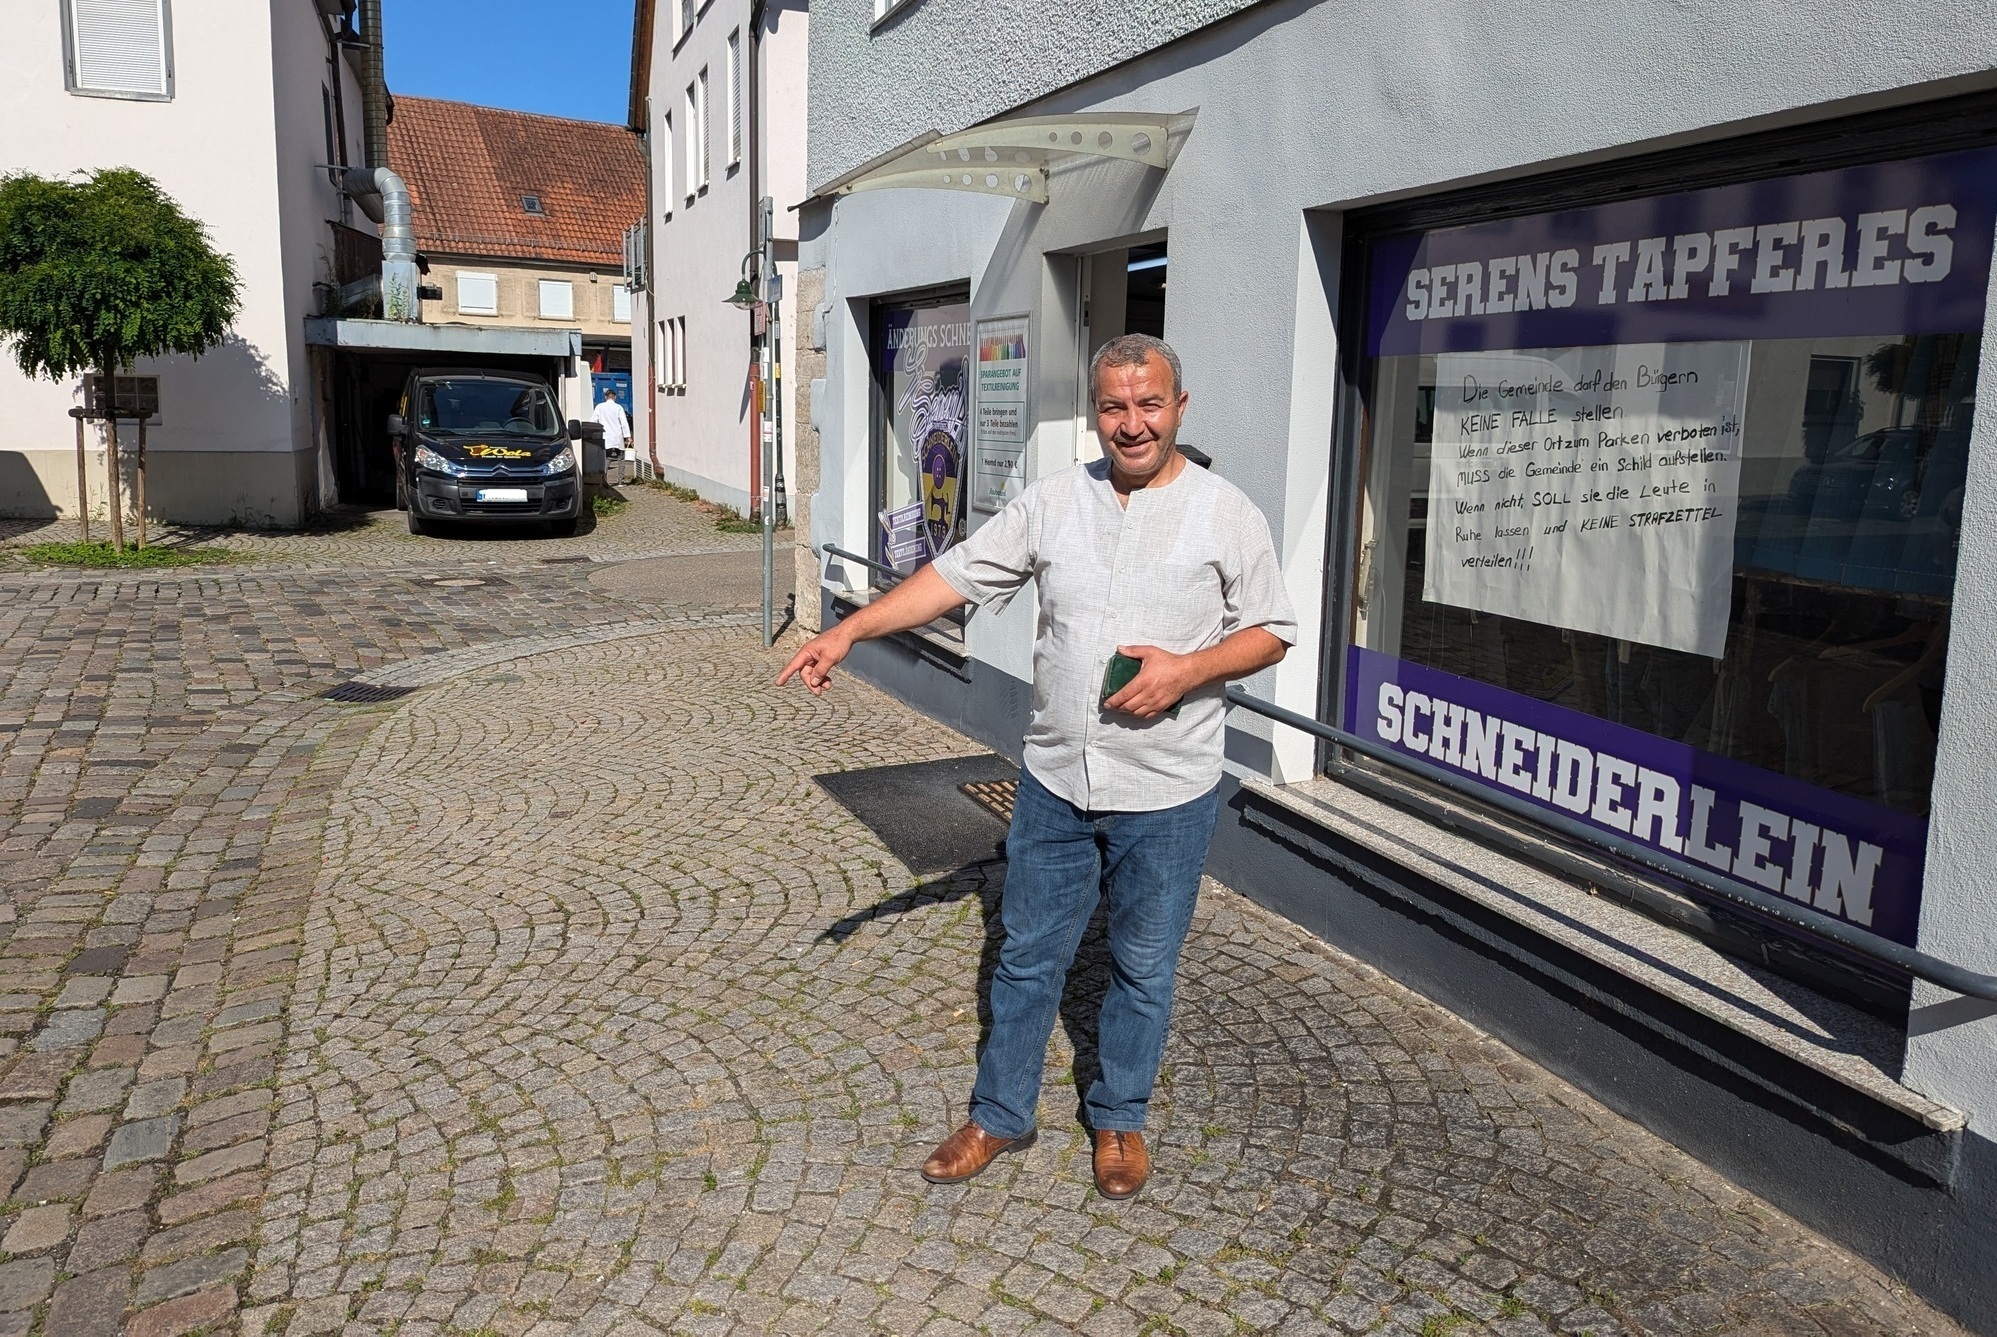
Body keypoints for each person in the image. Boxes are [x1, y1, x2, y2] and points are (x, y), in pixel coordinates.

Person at [777, 334, 1295, 1200]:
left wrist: (1187, 669)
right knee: (1025, 957)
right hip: (1056, 780)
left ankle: (1119, 1116)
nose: (1132, 423)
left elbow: (1272, 629)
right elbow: (952, 576)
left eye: (1149, 404)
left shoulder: (1226, 513)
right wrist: (849, 629)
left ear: (1178, 407)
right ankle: (1000, 1113)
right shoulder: (1054, 502)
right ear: (1095, 411)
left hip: (1167, 790)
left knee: (1142, 966)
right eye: (1114, 406)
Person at [591, 384, 631, 458]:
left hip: (605, 435)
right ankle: (619, 464)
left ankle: (606, 465)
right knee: (619, 457)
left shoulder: (599, 407)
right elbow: (624, 422)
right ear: (615, 397)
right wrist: (628, 436)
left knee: (606, 456)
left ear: (605, 397)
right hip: (617, 436)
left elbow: (593, 420)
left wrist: (593, 433)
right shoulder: (618, 407)